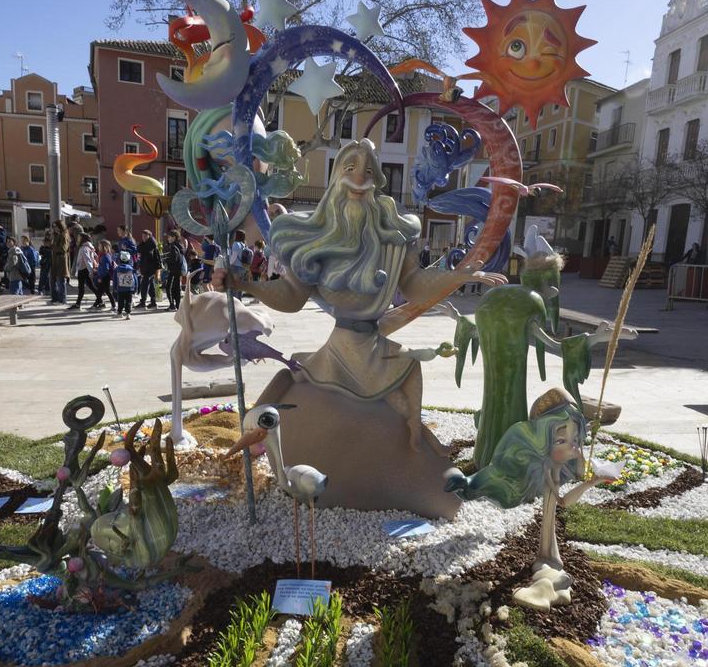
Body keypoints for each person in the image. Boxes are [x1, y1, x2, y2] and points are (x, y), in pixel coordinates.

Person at [213, 138, 503, 451]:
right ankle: (412, 444)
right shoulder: (316, 241)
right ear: (336, 177)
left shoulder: (394, 239)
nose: (359, 177)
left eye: (368, 170)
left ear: (377, 182)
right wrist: (245, 285)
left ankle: (415, 444)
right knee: (401, 381)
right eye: (350, 168)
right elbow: (292, 296)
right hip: (345, 348)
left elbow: (414, 285)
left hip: (370, 340)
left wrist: (458, 276)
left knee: (410, 374)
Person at [68, 232, 98, 310]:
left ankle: (78, 304)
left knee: (82, 287)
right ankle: (100, 300)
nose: (77, 239)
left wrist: (91, 271)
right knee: (90, 286)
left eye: (79, 237)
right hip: (85, 269)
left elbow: (87, 260)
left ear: (83, 239)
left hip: (83, 270)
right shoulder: (89, 247)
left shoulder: (84, 248)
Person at [161, 230, 186, 311]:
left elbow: (174, 259)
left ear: (174, 237)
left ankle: (172, 305)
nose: (168, 238)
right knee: (176, 288)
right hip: (178, 271)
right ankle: (178, 306)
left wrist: (165, 260)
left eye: (169, 237)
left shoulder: (173, 246)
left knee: (169, 288)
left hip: (174, 270)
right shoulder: (179, 245)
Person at [136, 228, 160, 308]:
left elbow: (147, 254)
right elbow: (138, 249)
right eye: (142, 236)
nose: (143, 237)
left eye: (145, 236)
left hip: (149, 268)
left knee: (144, 285)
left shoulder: (150, 245)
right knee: (151, 286)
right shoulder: (146, 243)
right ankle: (153, 302)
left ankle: (143, 302)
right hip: (148, 267)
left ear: (149, 236)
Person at [113, 250, 138, 319]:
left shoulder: (117, 269)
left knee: (120, 301)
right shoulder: (131, 269)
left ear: (120, 259)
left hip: (120, 289)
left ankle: (120, 313)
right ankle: (128, 314)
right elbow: (135, 279)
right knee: (128, 301)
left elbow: (115, 279)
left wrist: (114, 287)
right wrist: (135, 288)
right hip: (129, 288)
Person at [50, 221, 70, 303]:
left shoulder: (63, 235)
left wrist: (51, 246)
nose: (54, 228)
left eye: (56, 226)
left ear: (60, 226)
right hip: (55, 260)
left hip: (61, 260)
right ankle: (55, 298)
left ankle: (62, 299)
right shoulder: (55, 235)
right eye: (53, 226)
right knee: (52, 280)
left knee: (60, 280)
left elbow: (63, 249)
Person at [93, 239, 115, 309]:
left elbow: (106, 268)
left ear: (104, 247)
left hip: (105, 277)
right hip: (104, 276)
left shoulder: (105, 256)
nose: (98, 247)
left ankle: (113, 305)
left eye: (99, 246)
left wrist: (100, 277)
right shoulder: (105, 255)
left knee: (107, 291)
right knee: (100, 291)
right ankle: (96, 304)